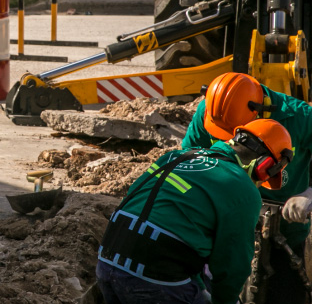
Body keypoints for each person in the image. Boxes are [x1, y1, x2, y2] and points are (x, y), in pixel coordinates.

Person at [97, 118, 294, 304]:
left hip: (107, 260)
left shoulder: (175, 156)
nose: (259, 185)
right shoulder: (243, 188)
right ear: (264, 167)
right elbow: (232, 266)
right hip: (155, 276)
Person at [182, 71, 312, 303]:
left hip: (286, 228)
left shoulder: (300, 117)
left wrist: (310, 193)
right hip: (224, 225)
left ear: (258, 111)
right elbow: (188, 163)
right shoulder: (212, 112)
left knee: (285, 293)